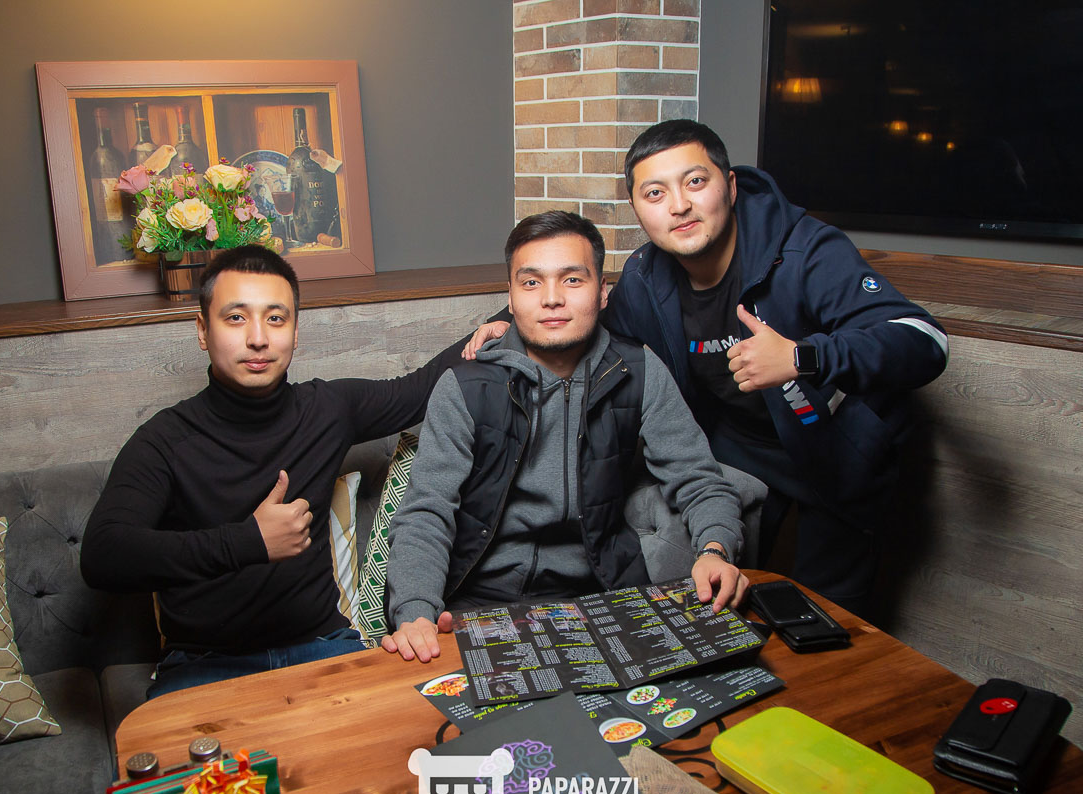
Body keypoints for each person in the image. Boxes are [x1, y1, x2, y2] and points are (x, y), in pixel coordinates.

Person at [467, 121, 949, 617]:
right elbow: (580, 314)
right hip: (741, 454)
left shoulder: (805, 251)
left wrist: (802, 357)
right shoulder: (645, 276)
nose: (678, 205)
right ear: (637, 208)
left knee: (826, 620)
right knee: (730, 605)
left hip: (837, 449)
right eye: (655, 193)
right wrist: (510, 327)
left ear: (731, 186)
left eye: (695, 181)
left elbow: (924, 340)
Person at [81, 245, 471, 697]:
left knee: (412, 730)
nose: (258, 338)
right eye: (236, 318)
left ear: (295, 332)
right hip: (206, 664)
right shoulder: (164, 440)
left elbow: (421, 388)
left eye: (275, 318)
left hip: (321, 646)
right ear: (203, 331)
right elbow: (104, 555)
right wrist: (248, 542)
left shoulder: (328, 410)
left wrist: (508, 318)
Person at [382, 211, 753, 663]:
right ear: (511, 297)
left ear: (602, 292)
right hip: (480, 601)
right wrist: (415, 611)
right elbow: (427, 511)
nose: (552, 299)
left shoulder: (639, 371)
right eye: (531, 283)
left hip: (602, 595)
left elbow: (699, 479)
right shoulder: (465, 386)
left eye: (573, 279)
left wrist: (715, 550)